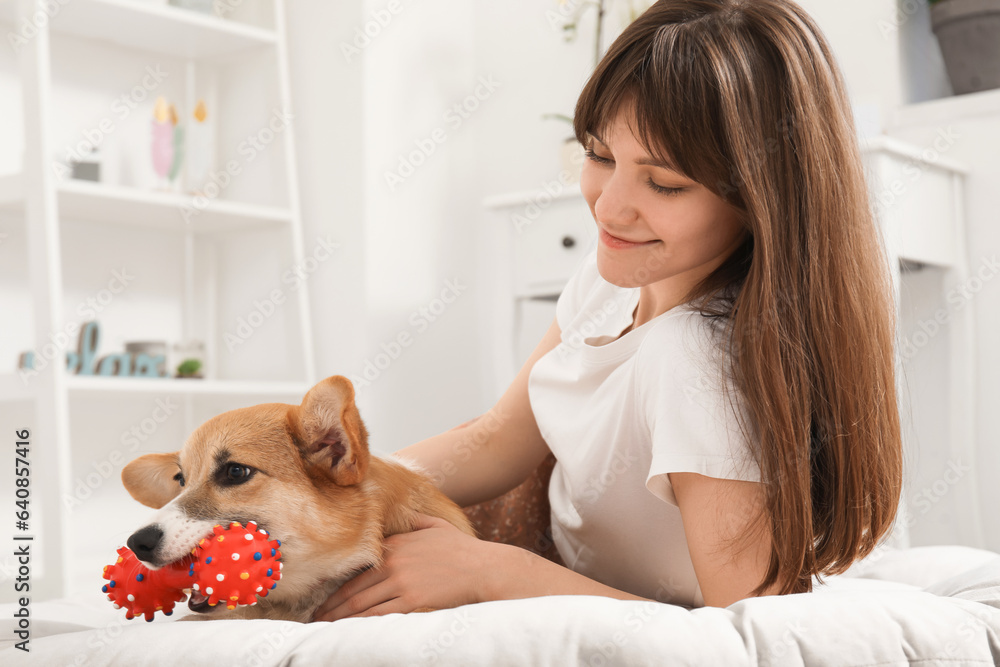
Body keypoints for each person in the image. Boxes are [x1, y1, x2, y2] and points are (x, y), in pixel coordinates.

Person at [312, 0, 903, 621]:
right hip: (539, 528)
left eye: (665, 183)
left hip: (544, 566)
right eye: (598, 154)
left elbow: (753, 634)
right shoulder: (611, 280)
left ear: (762, 198)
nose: (609, 207)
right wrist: (328, 485)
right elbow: (497, 441)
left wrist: (493, 573)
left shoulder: (697, 363)